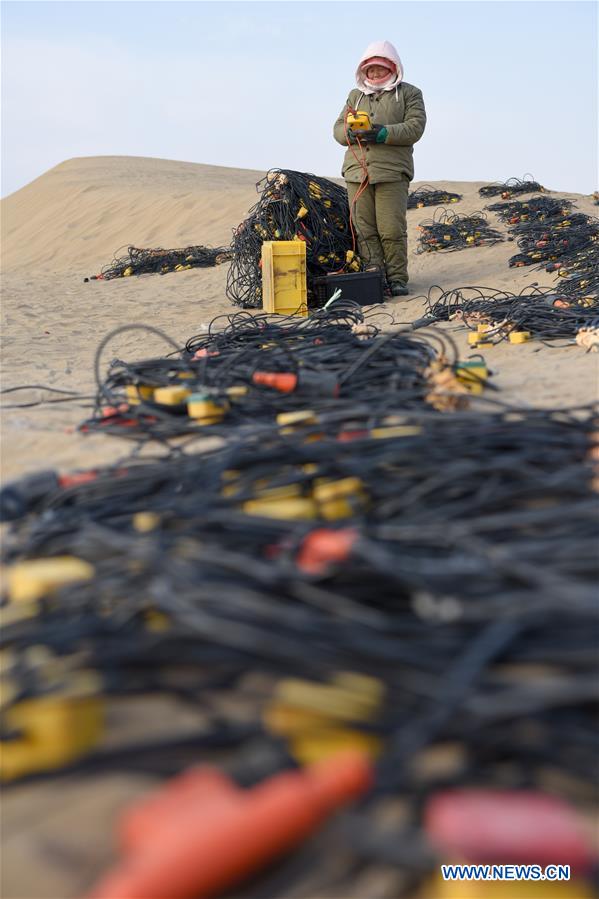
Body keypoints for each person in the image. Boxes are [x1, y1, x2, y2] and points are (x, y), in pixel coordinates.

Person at [333, 40, 427, 297]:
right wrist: (350, 132)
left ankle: (397, 279)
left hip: (391, 173)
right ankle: (375, 277)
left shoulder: (409, 94)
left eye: (380, 69)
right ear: (363, 71)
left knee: (391, 229)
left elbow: (415, 127)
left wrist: (384, 133)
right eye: (370, 70)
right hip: (356, 172)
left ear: (393, 68)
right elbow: (338, 129)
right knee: (363, 229)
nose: (374, 74)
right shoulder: (356, 96)